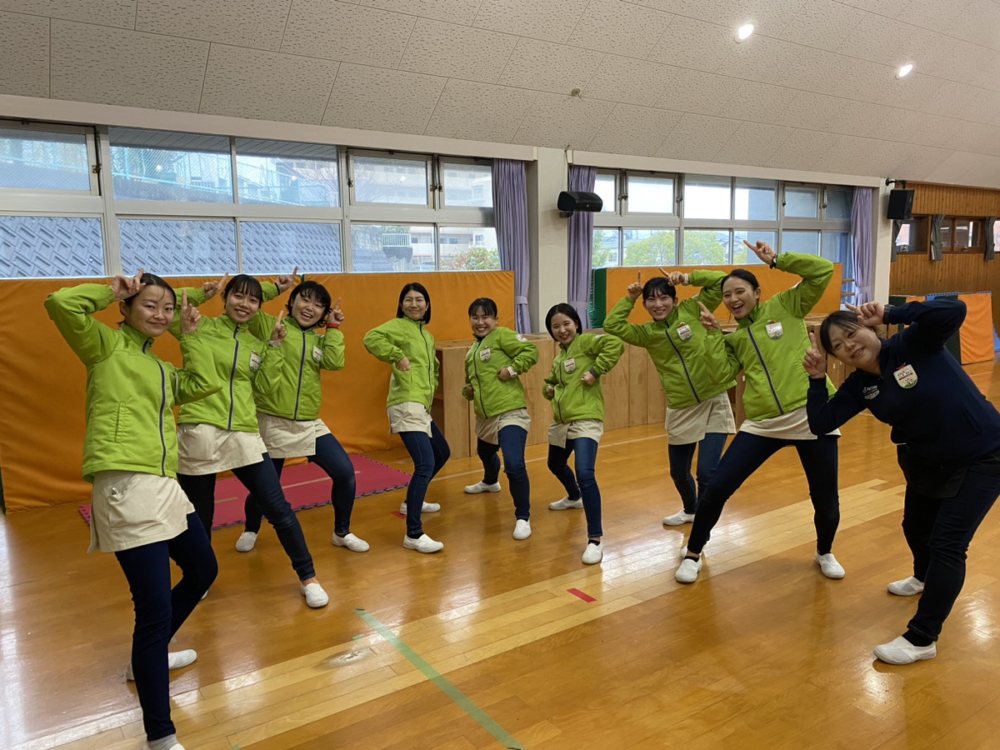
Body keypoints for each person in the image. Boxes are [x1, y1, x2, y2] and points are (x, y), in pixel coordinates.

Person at [46, 270, 219, 750]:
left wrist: (191, 334)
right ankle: (160, 736)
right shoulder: (104, 346)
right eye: (150, 305)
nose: (160, 314)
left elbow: (202, 381)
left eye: (167, 307)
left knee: (203, 569)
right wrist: (111, 290)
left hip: (164, 483)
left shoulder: (161, 368)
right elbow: (60, 304)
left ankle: (146, 658)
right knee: (154, 610)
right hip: (125, 483)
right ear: (126, 309)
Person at [805, 298, 1000, 665]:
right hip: (929, 462)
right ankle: (923, 578)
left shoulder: (914, 343)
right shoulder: (861, 385)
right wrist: (817, 381)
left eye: (851, 333)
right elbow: (822, 422)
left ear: (869, 327)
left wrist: (894, 313)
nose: (849, 345)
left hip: (984, 453)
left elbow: (954, 310)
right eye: (839, 347)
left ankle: (923, 637)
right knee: (915, 526)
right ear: (838, 358)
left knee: (947, 544)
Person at [675, 240, 844, 584]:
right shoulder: (734, 338)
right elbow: (720, 375)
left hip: (812, 415)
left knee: (825, 497)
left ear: (757, 292)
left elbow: (822, 271)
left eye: (740, 291)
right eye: (726, 295)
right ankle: (693, 553)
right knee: (719, 486)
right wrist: (711, 335)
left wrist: (778, 259)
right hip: (763, 423)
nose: (733, 299)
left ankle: (824, 551)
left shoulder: (786, 305)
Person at [173, 272, 329, 608]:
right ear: (225, 298)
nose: (245, 305)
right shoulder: (198, 325)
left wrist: (272, 348)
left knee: (279, 508)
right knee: (200, 516)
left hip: (243, 432)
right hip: (199, 430)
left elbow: (267, 389)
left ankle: (308, 576)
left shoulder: (256, 341)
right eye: (238, 297)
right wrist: (201, 295)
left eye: (253, 300)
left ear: (259, 307)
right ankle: (198, 577)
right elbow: (168, 309)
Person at [236, 279, 368, 554]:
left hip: (308, 422)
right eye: (305, 299)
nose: (310, 307)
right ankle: (251, 527)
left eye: (319, 305)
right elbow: (252, 306)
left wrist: (333, 329)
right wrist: (276, 287)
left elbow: (334, 362)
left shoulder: (320, 339)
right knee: (265, 488)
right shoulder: (271, 325)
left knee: (345, 473)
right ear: (292, 300)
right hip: (272, 419)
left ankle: (342, 532)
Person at [603, 270, 735, 527]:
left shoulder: (692, 310)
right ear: (645, 305)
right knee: (678, 473)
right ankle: (690, 510)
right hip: (681, 406)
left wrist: (687, 278)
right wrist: (629, 298)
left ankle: (702, 530)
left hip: (713, 399)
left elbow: (721, 282)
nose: (658, 304)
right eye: (650, 300)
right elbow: (612, 326)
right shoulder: (647, 333)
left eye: (664, 298)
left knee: (707, 474)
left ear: (675, 300)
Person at [364, 282, 451, 553]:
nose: (414, 304)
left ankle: (412, 499)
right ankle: (413, 533)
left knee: (442, 453)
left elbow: (431, 367)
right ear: (401, 305)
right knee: (424, 464)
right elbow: (370, 338)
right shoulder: (398, 326)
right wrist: (395, 354)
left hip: (420, 405)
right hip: (405, 403)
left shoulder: (427, 334)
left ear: (427, 304)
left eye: (420, 299)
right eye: (408, 300)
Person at [543, 303, 624, 564]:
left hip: (586, 417)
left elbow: (615, 344)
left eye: (566, 323)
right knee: (554, 463)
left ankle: (595, 540)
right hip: (562, 421)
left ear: (577, 324)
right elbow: (554, 381)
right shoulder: (559, 357)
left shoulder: (587, 342)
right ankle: (574, 496)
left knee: (585, 473)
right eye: (555, 326)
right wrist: (549, 389)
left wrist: (595, 371)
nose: (562, 329)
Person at [461, 298, 540, 539]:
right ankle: (489, 481)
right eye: (475, 317)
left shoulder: (503, 336)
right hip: (485, 415)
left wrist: (512, 370)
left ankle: (523, 517)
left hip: (510, 411)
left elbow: (531, 351)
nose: (480, 321)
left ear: (495, 319)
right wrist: (468, 391)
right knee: (484, 452)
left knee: (514, 465)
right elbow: (468, 382)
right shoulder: (471, 351)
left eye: (486, 317)